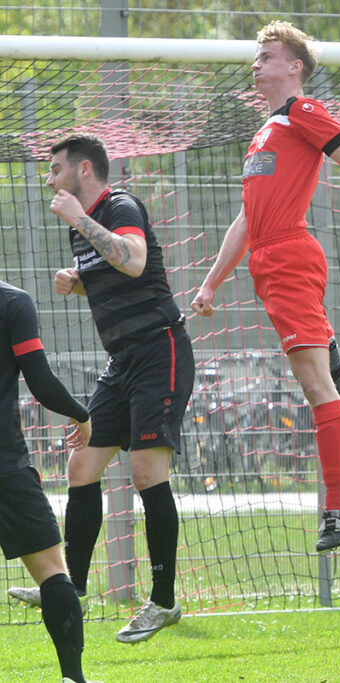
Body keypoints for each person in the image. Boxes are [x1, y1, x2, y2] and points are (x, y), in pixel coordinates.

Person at [189, 21, 340, 552]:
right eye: (256, 57)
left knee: (316, 383)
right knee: (332, 372)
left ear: (294, 67)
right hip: (269, 262)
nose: (256, 64)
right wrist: (211, 282)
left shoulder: (302, 112)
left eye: (266, 56)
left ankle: (338, 506)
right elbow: (246, 219)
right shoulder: (264, 130)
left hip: (289, 257)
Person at [8, 133, 195, 645]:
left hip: (161, 351)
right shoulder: (84, 227)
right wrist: (81, 281)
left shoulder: (117, 205)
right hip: (124, 361)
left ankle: (162, 601)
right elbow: (122, 274)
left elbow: (133, 259)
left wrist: (79, 220)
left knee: (144, 469)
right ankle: (73, 584)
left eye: (55, 169)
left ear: (83, 170)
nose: (49, 179)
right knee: (82, 463)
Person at [1, 280, 93, 681]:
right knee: (55, 573)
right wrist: (80, 413)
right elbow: (40, 381)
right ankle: (73, 678)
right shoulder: (13, 302)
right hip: (5, 465)